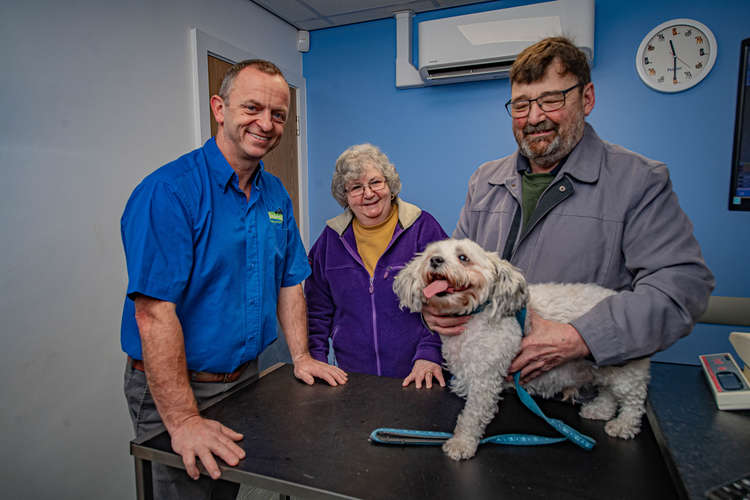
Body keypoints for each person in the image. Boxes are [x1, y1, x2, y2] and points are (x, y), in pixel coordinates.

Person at [423, 37, 714, 383]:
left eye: (551, 99)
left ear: (586, 98)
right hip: (490, 385)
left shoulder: (640, 181)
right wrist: (439, 306)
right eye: (521, 105)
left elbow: (681, 289)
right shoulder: (484, 181)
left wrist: (581, 336)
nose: (534, 117)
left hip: (579, 392)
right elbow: (458, 273)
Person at [120, 59, 347, 499]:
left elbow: (289, 280)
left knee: (226, 492)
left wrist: (300, 356)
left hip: (245, 382)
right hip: (180, 389)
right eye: (252, 108)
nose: (266, 123)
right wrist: (184, 421)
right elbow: (153, 312)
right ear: (219, 108)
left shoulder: (275, 194)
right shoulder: (169, 192)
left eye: (278, 114)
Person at [305, 144, 449, 388]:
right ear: (345, 196)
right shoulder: (331, 240)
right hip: (353, 379)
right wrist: (316, 359)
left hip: (420, 374)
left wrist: (430, 352)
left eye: (375, 183)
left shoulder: (422, 228)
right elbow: (317, 309)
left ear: (390, 185)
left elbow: (446, 293)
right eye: (356, 188)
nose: (368, 194)